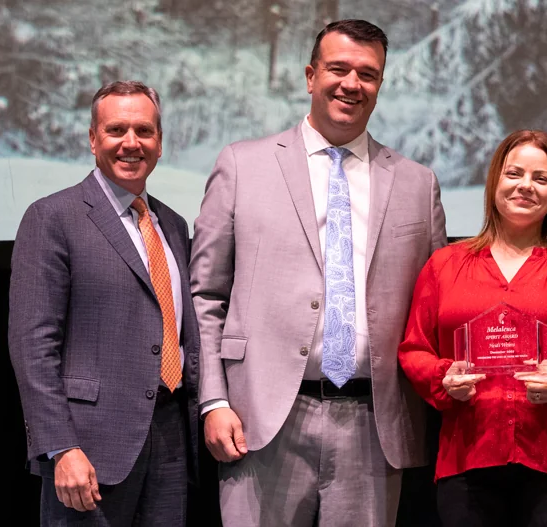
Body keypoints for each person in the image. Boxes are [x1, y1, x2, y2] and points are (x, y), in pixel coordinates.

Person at [189, 19, 447, 527]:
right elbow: (206, 294)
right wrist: (213, 399)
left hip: (374, 428)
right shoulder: (243, 165)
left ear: (380, 85)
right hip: (261, 420)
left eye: (368, 74)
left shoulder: (419, 183)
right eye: (338, 69)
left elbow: (436, 306)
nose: (352, 84)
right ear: (311, 76)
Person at [8, 80, 200, 526]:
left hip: (170, 440)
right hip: (88, 449)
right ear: (93, 139)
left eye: (144, 131)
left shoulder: (171, 224)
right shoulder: (53, 217)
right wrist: (61, 447)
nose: (131, 143)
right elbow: (32, 346)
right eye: (116, 130)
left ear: (160, 142)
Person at [398, 130, 547, 526]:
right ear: (495, 181)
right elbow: (413, 349)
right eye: (514, 174)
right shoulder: (445, 265)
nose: (525, 186)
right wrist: (443, 377)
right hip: (467, 457)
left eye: (541, 179)